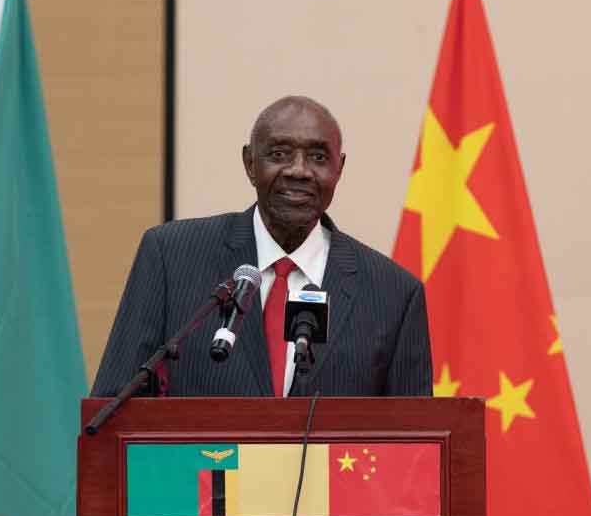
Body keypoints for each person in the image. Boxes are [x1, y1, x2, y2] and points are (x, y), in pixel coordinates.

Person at [91, 96, 432, 398]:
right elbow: (116, 405)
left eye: (317, 156)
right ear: (250, 163)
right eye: (280, 153)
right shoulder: (170, 257)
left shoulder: (393, 294)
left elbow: (417, 445)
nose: (299, 171)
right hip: (205, 471)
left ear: (339, 169)